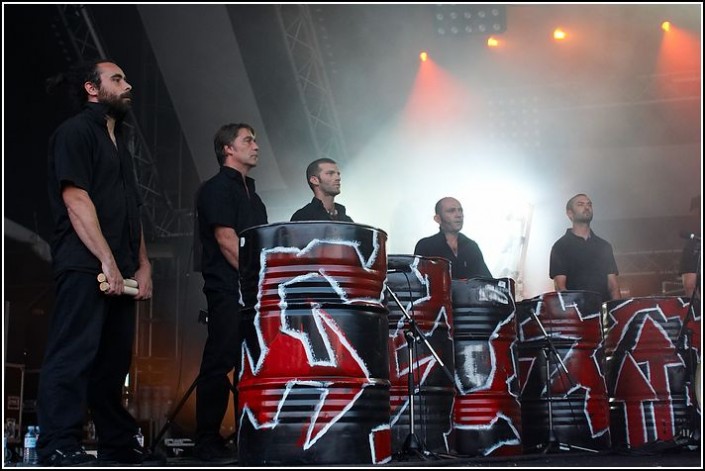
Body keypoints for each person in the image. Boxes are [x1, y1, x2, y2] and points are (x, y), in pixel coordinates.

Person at [37, 59, 159, 466]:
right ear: (93, 89)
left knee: (113, 363)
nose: (129, 85)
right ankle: (58, 445)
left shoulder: (121, 144)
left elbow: (131, 211)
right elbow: (75, 199)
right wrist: (105, 259)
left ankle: (118, 446)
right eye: (117, 79)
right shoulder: (75, 132)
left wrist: (142, 265)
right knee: (73, 354)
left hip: (119, 268)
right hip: (83, 262)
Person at [194, 123, 268, 461]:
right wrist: (256, 278)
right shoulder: (215, 188)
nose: (255, 146)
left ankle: (247, 434)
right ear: (228, 148)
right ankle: (206, 440)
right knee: (220, 360)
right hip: (226, 287)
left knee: (251, 364)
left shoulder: (254, 195)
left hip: (252, 290)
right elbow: (226, 241)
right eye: (248, 140)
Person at [549, 193, 620, 302]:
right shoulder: (560, 246)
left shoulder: (604, 246)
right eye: (580, 204)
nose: (586, 207)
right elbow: (560, 288)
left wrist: (616, 314)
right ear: (570, 213)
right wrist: (572, 313)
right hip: (577, 314)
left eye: (589, 204)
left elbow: (613, 287)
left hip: (602, 313)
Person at [414, 197, 492, 279]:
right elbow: (417, 281)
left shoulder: (471, 246)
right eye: (451, 211)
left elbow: (487, 281)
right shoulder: (425, 246)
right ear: (438, 219)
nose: (458, 215)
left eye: (460, 210)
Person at [290, 158, 353, 222]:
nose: (338, 178)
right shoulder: (303, 217)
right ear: (314, 180)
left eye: (338, 174)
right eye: (330, 173)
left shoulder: (346, 220)